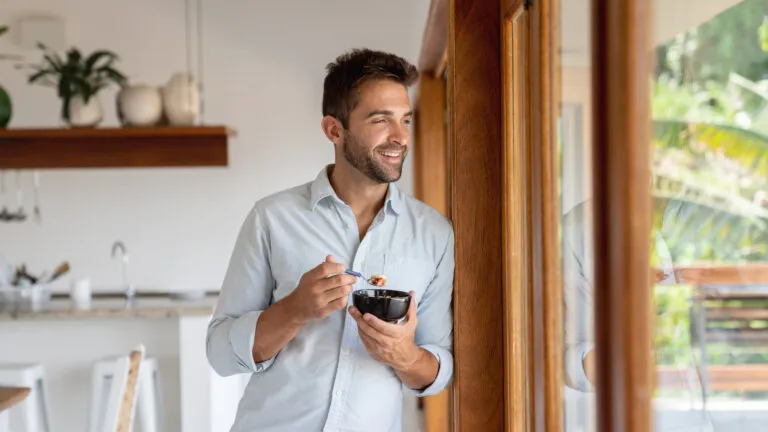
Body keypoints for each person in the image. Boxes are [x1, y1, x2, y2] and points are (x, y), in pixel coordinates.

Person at [206, 48, 455, 432]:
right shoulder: (272, 219)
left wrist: (403, 355)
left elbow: (439, 365)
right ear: (334, 130)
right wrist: (295, 310)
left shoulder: (434, 234)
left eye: (405, 120)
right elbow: (220, 352)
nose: (400, 137)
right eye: (380, 120)